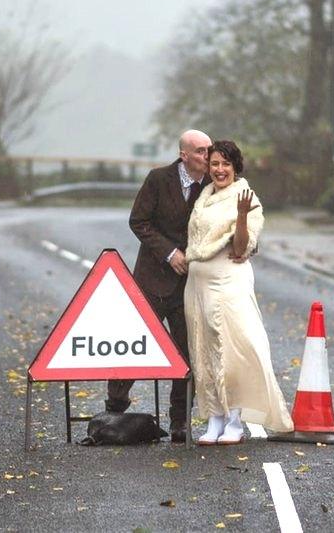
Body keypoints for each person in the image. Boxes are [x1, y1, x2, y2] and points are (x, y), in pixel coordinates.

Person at [184, 140, 294, 445]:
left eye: (226, 165)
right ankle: (214, 419)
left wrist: (242, 216)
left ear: (236, 168)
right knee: (204, 350)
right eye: (215, 164)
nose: (220, 170)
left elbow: (241, 247)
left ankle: (234, 421)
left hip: (228, 281)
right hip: (198, 284)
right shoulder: (204, 196)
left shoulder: (245, 197)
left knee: (231, 348)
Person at [105, 129, 211, 443]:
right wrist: (168, 252)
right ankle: (115, 408)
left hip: (188, 284)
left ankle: (180, 421)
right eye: (201, 151)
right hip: (151, 279)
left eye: (209, 151)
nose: (207, 157)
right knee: (136, 345)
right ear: (184, 155)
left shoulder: (212, 185)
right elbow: (138, 221)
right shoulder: (158, 179)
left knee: (185, 352)